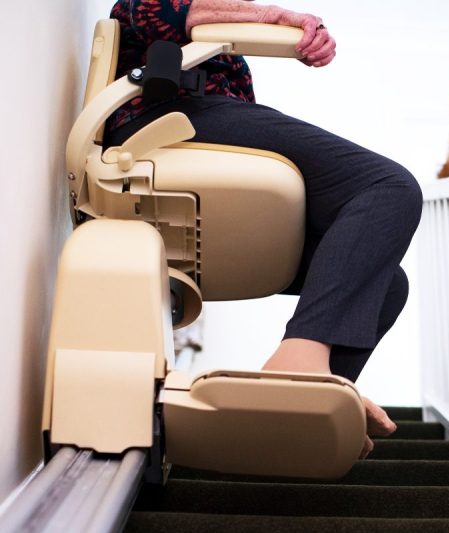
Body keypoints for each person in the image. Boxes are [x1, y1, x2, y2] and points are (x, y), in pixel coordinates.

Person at [105, 0, 423, 457]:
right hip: (166, 121)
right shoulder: (145, 5)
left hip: (205, 148)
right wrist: (281, 20)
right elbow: (171, 13)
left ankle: (297, 412)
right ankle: (298, 365)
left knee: (388, 283)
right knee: (387, 186)